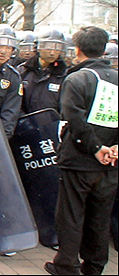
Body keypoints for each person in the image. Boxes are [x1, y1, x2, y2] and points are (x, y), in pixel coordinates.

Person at [44, 26, 118, 275]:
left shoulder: (77, 79)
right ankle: (95, 266)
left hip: (79, 160)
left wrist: (96, 148)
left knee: (71, 215)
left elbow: (73, 118)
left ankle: (67, 264)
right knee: (100, 216)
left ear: (77, 50)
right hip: (110, 163)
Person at [17, 28, 68, 115]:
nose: (52, 52)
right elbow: (14, 102)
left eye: (57, 48)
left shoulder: (64, 75)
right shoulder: (23, 71)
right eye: (48, 47)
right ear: (38, 47)